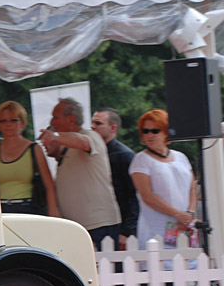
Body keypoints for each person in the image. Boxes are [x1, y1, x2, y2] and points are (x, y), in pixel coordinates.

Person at [39, 98, 120, 248]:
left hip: (98, 225)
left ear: (72, 119)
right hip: (80, 228)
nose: (52, 121)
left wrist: (55, 136)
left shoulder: (91, 136)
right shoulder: (66, 148)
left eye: (56, 117)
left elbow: (82, 141)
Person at [129, 109, 198, 252]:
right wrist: (177, 214)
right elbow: (147, 195)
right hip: (157, 227)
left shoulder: (181, 157)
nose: (149, 135)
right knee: (160, 267)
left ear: (166, 131)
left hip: (184, 225)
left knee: (190, 264)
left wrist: (189, 213)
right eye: (145, 131)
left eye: (155, 131)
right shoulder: (141, 160)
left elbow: (192, 188)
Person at [0, 101, 58, 216]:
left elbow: (49, 187)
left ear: (23, 122)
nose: (8, 124)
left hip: (29, 209)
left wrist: (54, 217)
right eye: (3, 121)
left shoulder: (34, 149)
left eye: (13, 120)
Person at [92, 108, 139, 248]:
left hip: (119, 227)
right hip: (99, 223)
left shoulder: (125, 156)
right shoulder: (93, 153)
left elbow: (134, 196)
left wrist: (127, 231)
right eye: (92, 122)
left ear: (113, 128)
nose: (92, 127)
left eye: (98, 123)